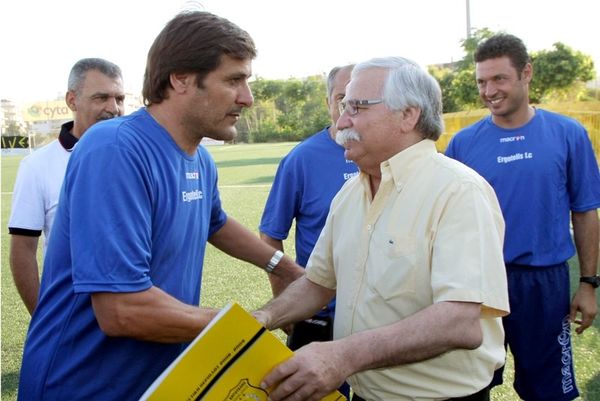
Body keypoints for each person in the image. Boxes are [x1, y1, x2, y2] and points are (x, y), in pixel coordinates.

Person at [17, 11, 304, 401]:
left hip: (158, 382)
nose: (247, 98)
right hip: (83, 383)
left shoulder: (198, 157)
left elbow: (214, 222)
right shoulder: (116, 148)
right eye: (234, 80)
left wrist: (289, 271)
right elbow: (123, 311)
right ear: (181, 78)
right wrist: (252, 324)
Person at [255, 56, 510, 401]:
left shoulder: (459, 191)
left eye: (357, 107)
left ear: (408, 114)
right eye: (343, 106)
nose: (341, 121)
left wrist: (343, 355)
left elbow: (459, 322)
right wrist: (264, 317)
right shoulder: (350, 193)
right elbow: (318, 283)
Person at [445, 33, 600, 401]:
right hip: (479, 284)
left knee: (547, 392)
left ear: (526, 73)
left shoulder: (567, 134)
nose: (489, 90)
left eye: (499, 79)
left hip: (543, 284)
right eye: (481, 81)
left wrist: (589, 283)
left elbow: (585, 212)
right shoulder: (463, 145)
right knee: (468, 388)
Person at [259, 63, 357, 399]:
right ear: (329, 101)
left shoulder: (385, 155)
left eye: (358, 100)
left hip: (374, 318)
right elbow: (271, 233)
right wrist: (283, 295)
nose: (348, 109)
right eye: (342, 98)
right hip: (317, 315)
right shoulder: (301, 159)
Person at [8, 57, 125, 315]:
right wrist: (43, 318)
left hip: (135, 312)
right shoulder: (37, 166)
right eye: (101, 97)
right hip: (72, 316)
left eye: (119, 98)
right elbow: (23, 252)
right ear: (72, 100)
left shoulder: (137, 159)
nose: (114, 108)